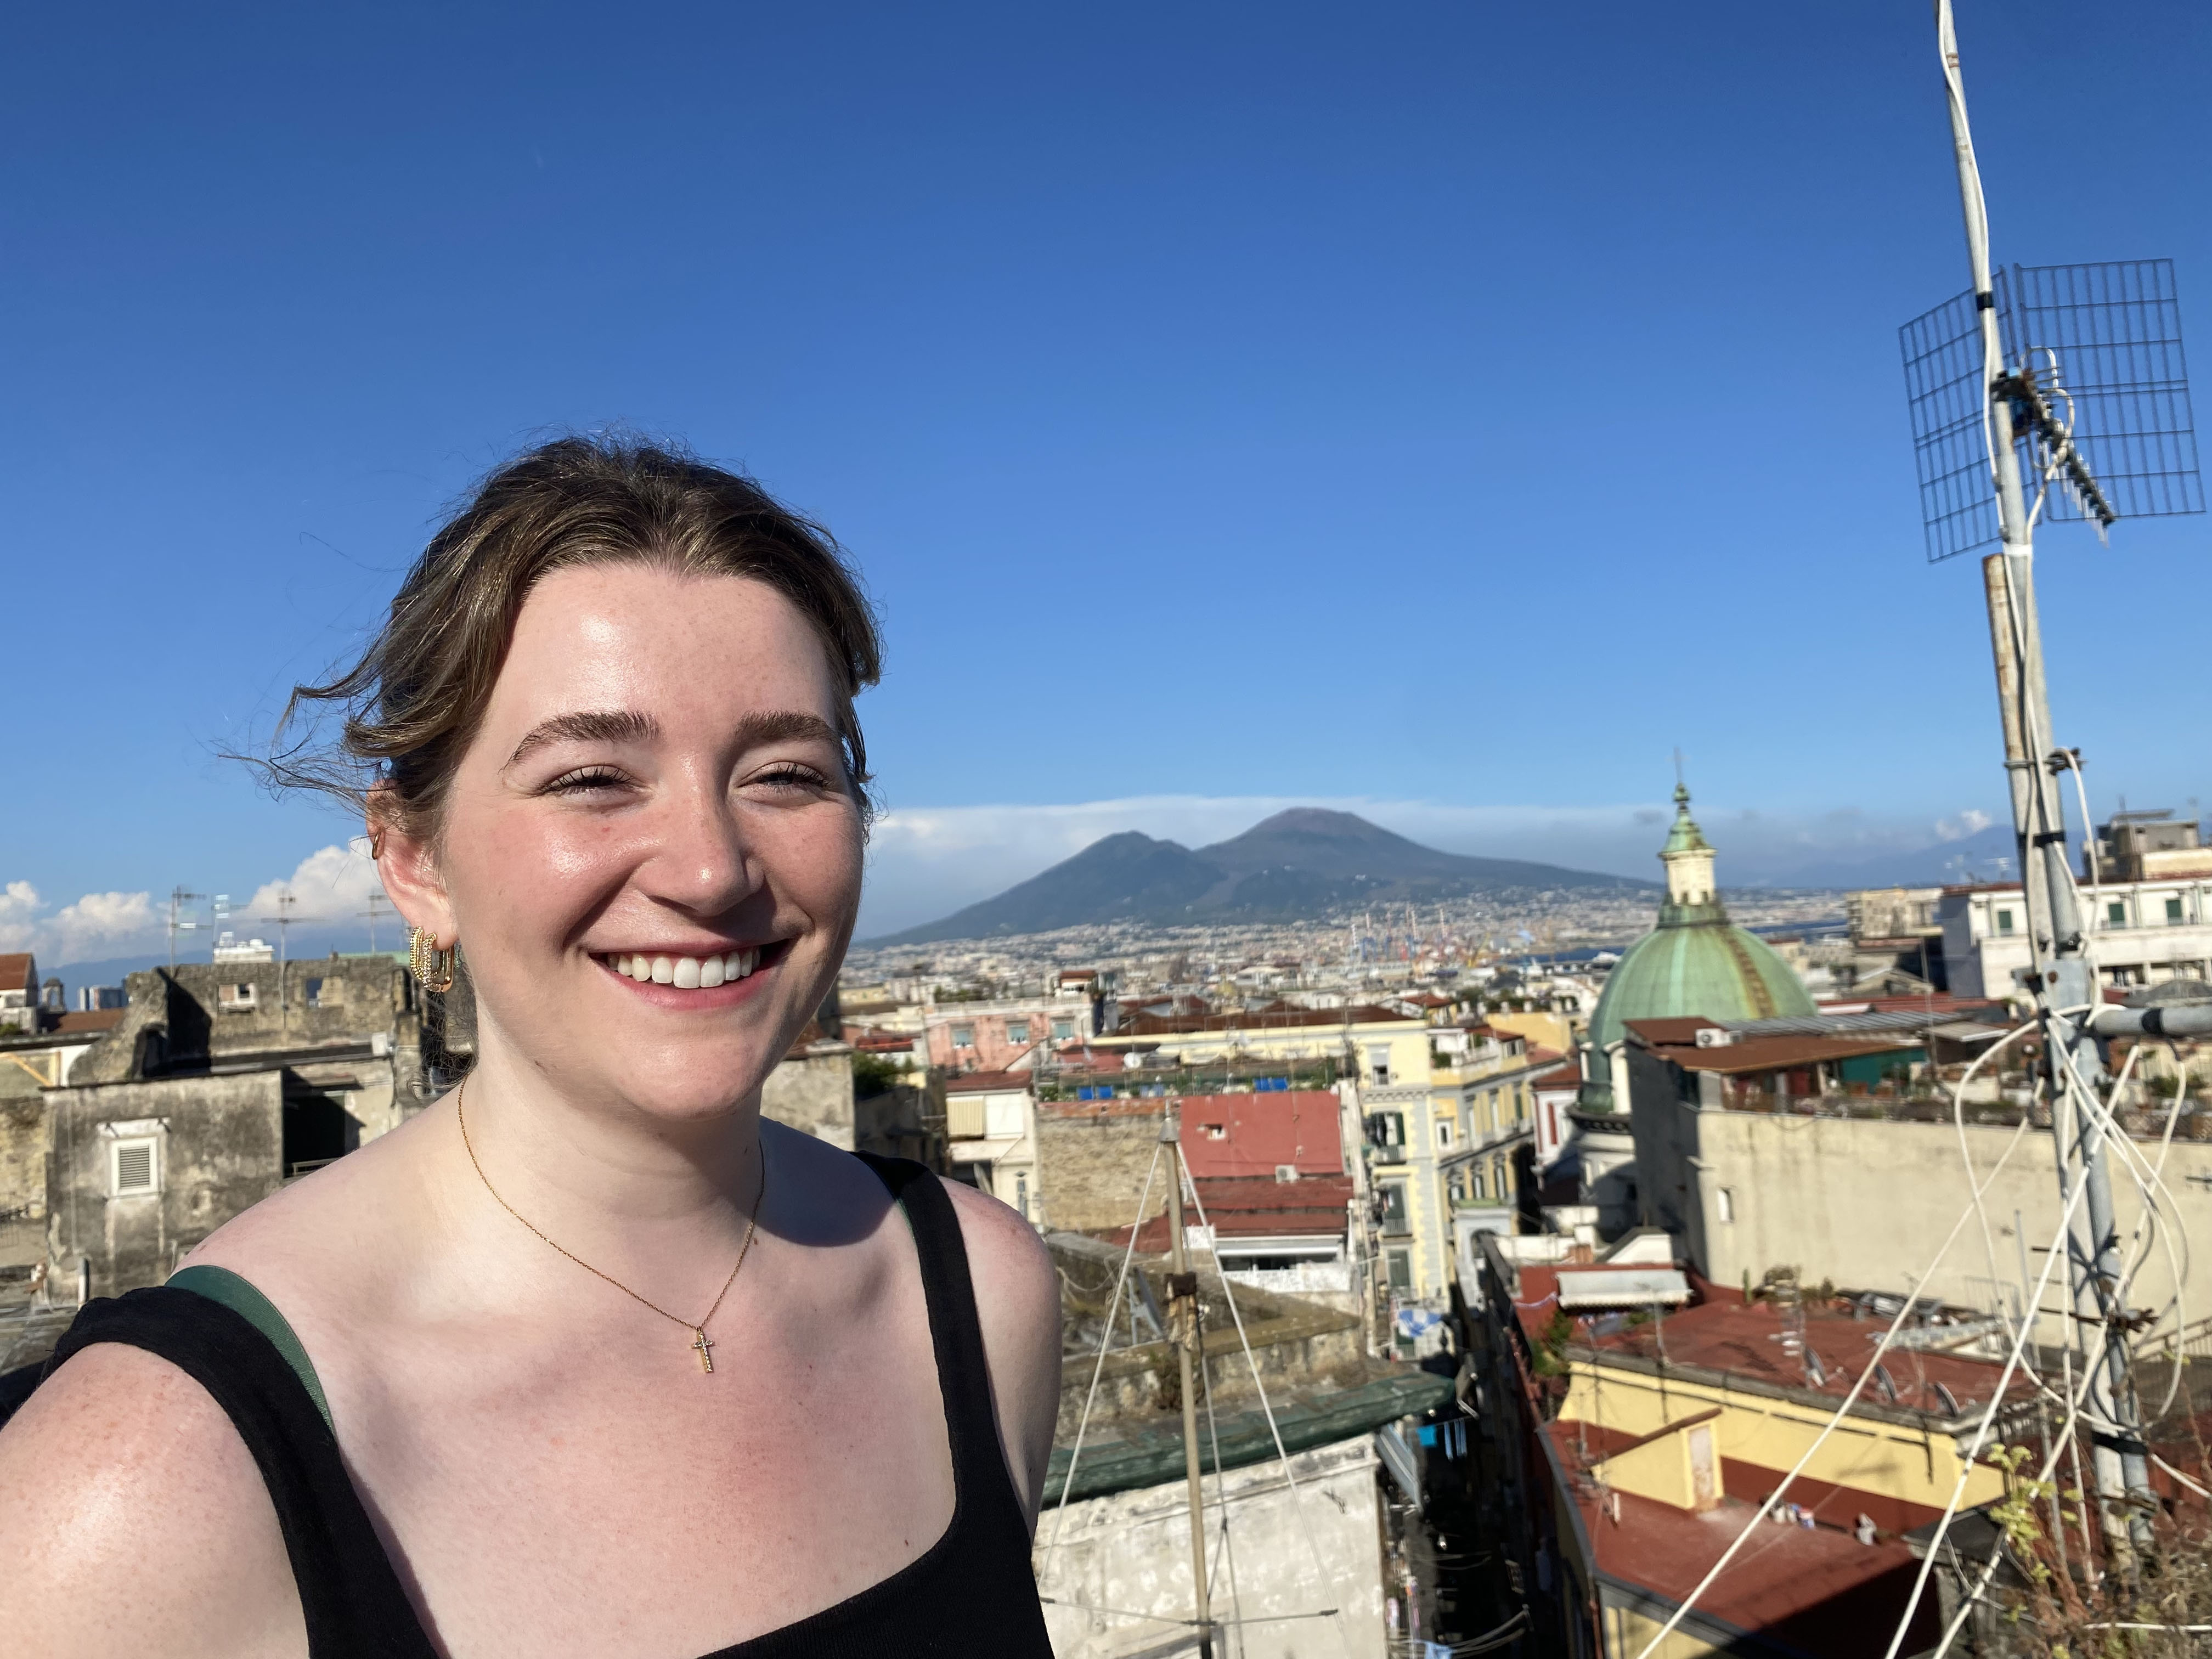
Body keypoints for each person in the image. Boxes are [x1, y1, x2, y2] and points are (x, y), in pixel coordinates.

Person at [0, 438, 1063, 1656]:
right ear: (413, 859)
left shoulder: (978, 1300)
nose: (711, 868)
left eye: (784, 773)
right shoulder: (145, 1491)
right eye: (595, 777)